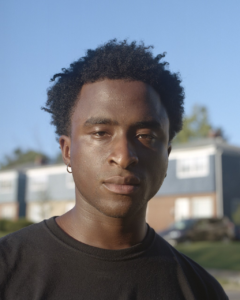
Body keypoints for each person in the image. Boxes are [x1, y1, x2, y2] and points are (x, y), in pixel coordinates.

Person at [0, 40, 228, 300]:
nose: (124, 156)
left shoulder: (202, 290)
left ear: (166, 155)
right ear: (67, 151)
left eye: (145, 136)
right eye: (100, 133)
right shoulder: (7, 269)